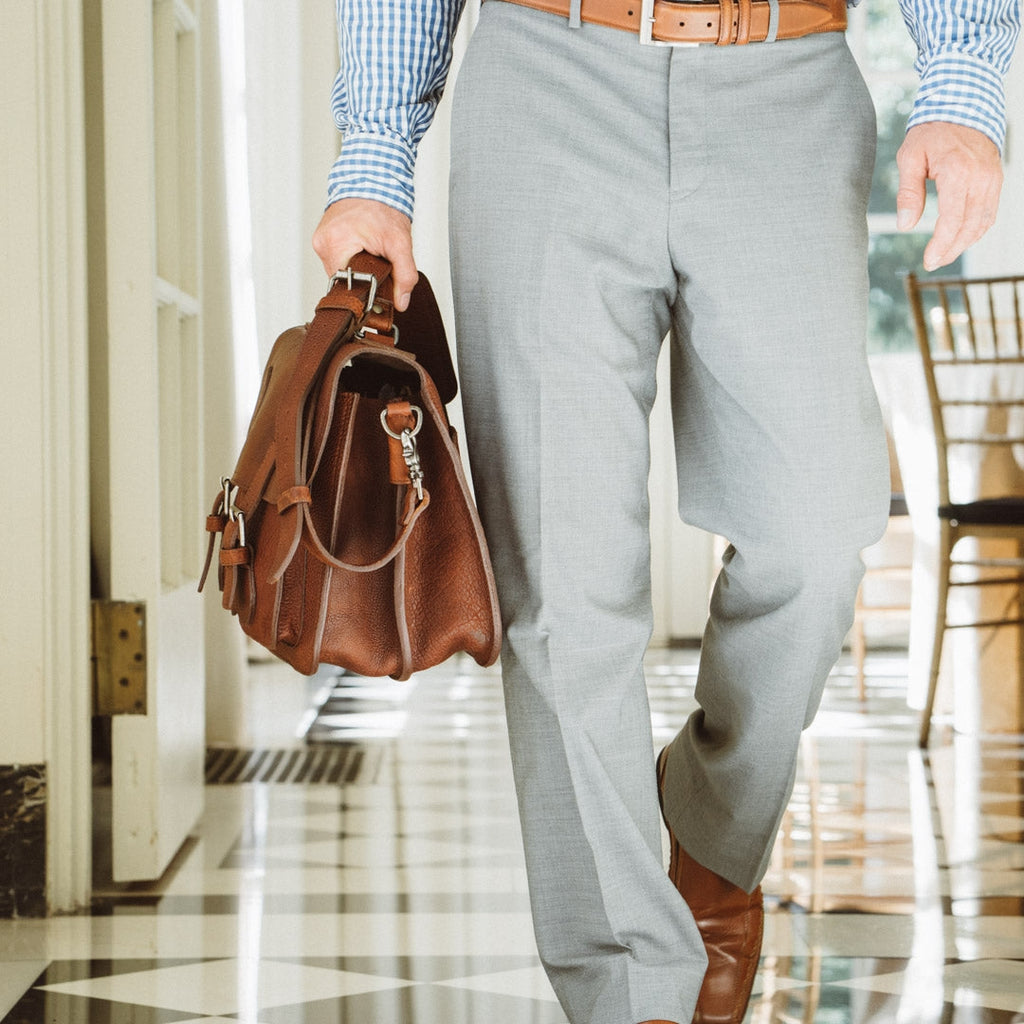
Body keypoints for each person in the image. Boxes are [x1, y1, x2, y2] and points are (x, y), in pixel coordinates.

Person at [313, 1, 1019, 1022]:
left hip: (789, 79)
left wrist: (961, 80)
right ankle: (629, 988)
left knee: (817, 536)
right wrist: (376, 152)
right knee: (560, 577)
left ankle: (712, 828)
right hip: (545, 73)